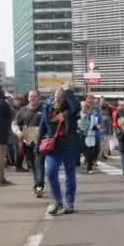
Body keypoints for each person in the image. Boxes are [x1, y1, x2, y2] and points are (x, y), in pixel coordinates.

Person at [38, 83, 81, 215]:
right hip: (53, 145)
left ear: (65, 98)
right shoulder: (48, 107)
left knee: (70, 175)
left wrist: (68, 92)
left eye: (60, 97)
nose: (57, 99)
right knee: (50, 172)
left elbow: (76, 106)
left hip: (69, 144)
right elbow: (43, 125)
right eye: (55, 96)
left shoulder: (71, 108)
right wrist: (37, 144)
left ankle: (69, 203)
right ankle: (57, 201)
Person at [14, 90, 45, 196]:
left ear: (39, 97)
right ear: (28, 98)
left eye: (35, 96)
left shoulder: (44, 109)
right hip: (28, 142)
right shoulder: (23, 110)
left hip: (41, 142)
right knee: (33, 165)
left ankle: (39, 187)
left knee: (39, 164)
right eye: (31, 96)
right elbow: (15, 124)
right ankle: (38, 184)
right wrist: (18, 132)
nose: (32, 98)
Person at [78, 102, 99, 174]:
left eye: (86, 107)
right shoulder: (77, 115)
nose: (85, 108)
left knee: (90, 153)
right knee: (77, 152)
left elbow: (95, 125)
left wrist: (96, 127)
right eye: (83, 107)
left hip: (90, 137)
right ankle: (76, 166)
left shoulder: (92, 116)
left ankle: (89, 168)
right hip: (80, 136)